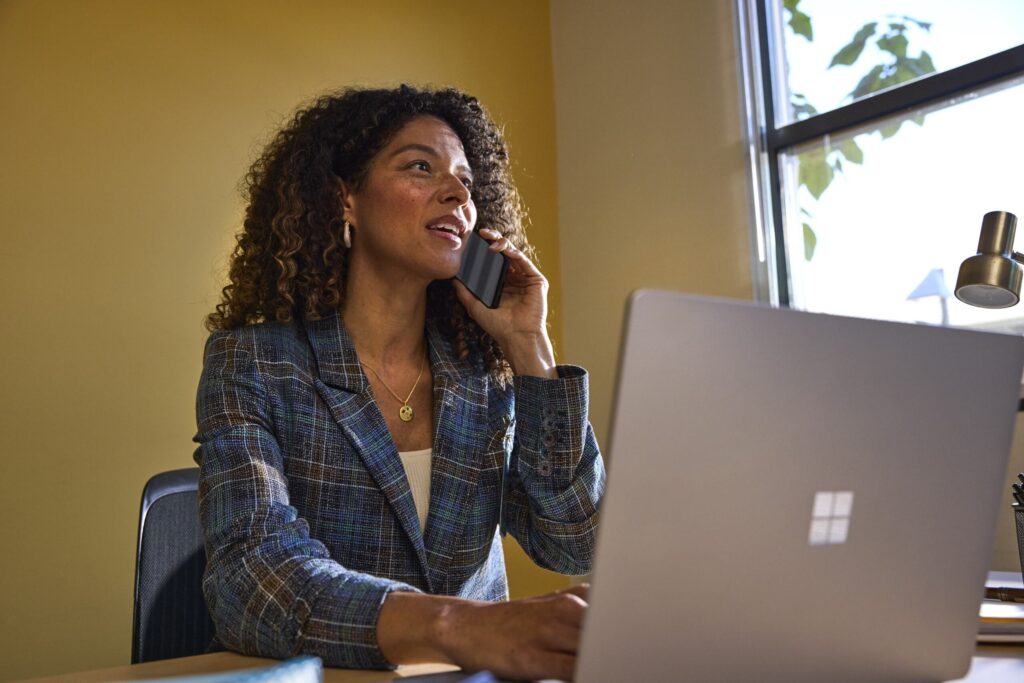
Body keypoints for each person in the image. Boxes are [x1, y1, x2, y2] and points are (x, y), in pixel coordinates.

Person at [193, 85, 606, 681]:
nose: (458, 192)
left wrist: (527, 343)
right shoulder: (256, 363)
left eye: (466, 180)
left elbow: (576, 543)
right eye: (421, 166)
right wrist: (458, 627)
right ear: (345, 199)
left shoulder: (482, 374)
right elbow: (252, 578)